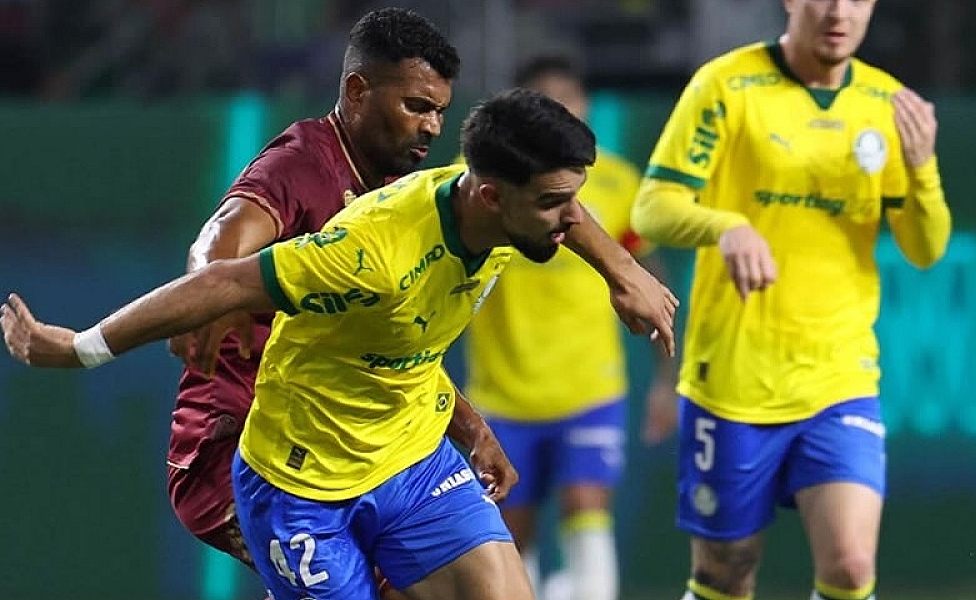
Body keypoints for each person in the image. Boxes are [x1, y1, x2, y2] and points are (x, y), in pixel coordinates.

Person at [3, 88, 679, 600]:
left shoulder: (511, 210)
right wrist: (79, 348)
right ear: (492, 196)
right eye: (556, 203)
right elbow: (227, 281)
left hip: (411, 462)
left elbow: (561, 215)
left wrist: (622, 274)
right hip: (301, 486)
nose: (573, 220)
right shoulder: (373, 251)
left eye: (574, 201)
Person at [630, 2, 950, 600]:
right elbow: (652, 207)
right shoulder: (726, 84)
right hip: (734, 378)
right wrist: (725, 226)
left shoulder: (886, 104)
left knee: (851, 566)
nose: (837, 11)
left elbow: (926, 248)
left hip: (839, 375)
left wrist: (923, 169)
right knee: (726, 571)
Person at [162, 7, 496, 572]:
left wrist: (472, 428)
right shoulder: (300, 166)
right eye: (415, 106)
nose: (432, 127)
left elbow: (393, 350)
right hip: (237, 449)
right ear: (358, 91)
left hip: (344, 446)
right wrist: (207, 288)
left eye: (439, 111)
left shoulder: (401, 195)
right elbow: (219, 240)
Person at [462, 55, 677, 600]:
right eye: (546, 103)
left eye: (569, 101)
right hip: (503, 395)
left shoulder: (617, 183)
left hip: (590, 388)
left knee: (587, 511)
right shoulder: (492, 190)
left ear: (584, 110)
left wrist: (665, 378)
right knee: (513, 534)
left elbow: (647, 280)